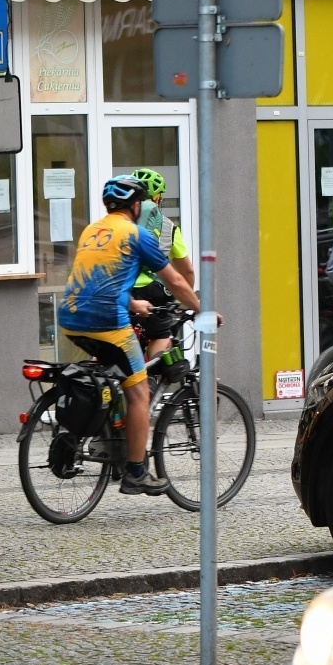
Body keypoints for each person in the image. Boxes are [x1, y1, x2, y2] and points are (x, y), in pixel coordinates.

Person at [58, 176, 205, 497]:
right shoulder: (137, 234)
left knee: (110, 374)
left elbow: (96, 280)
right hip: (106, 320)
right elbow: (178, 282)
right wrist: (203, 311)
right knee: (139, 393)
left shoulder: (91, 230)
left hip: (70, 317)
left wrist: (133, 302)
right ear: (136, 205)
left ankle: (108, 431)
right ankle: (137, 472)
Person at [127, 167, 193, 365]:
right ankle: (151, 378)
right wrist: (183, 300)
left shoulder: (118, 222)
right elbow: (187, 270)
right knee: (160, 334)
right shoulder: (168, 227)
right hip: (153, 292)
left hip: (124, 290)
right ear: (156, 197)